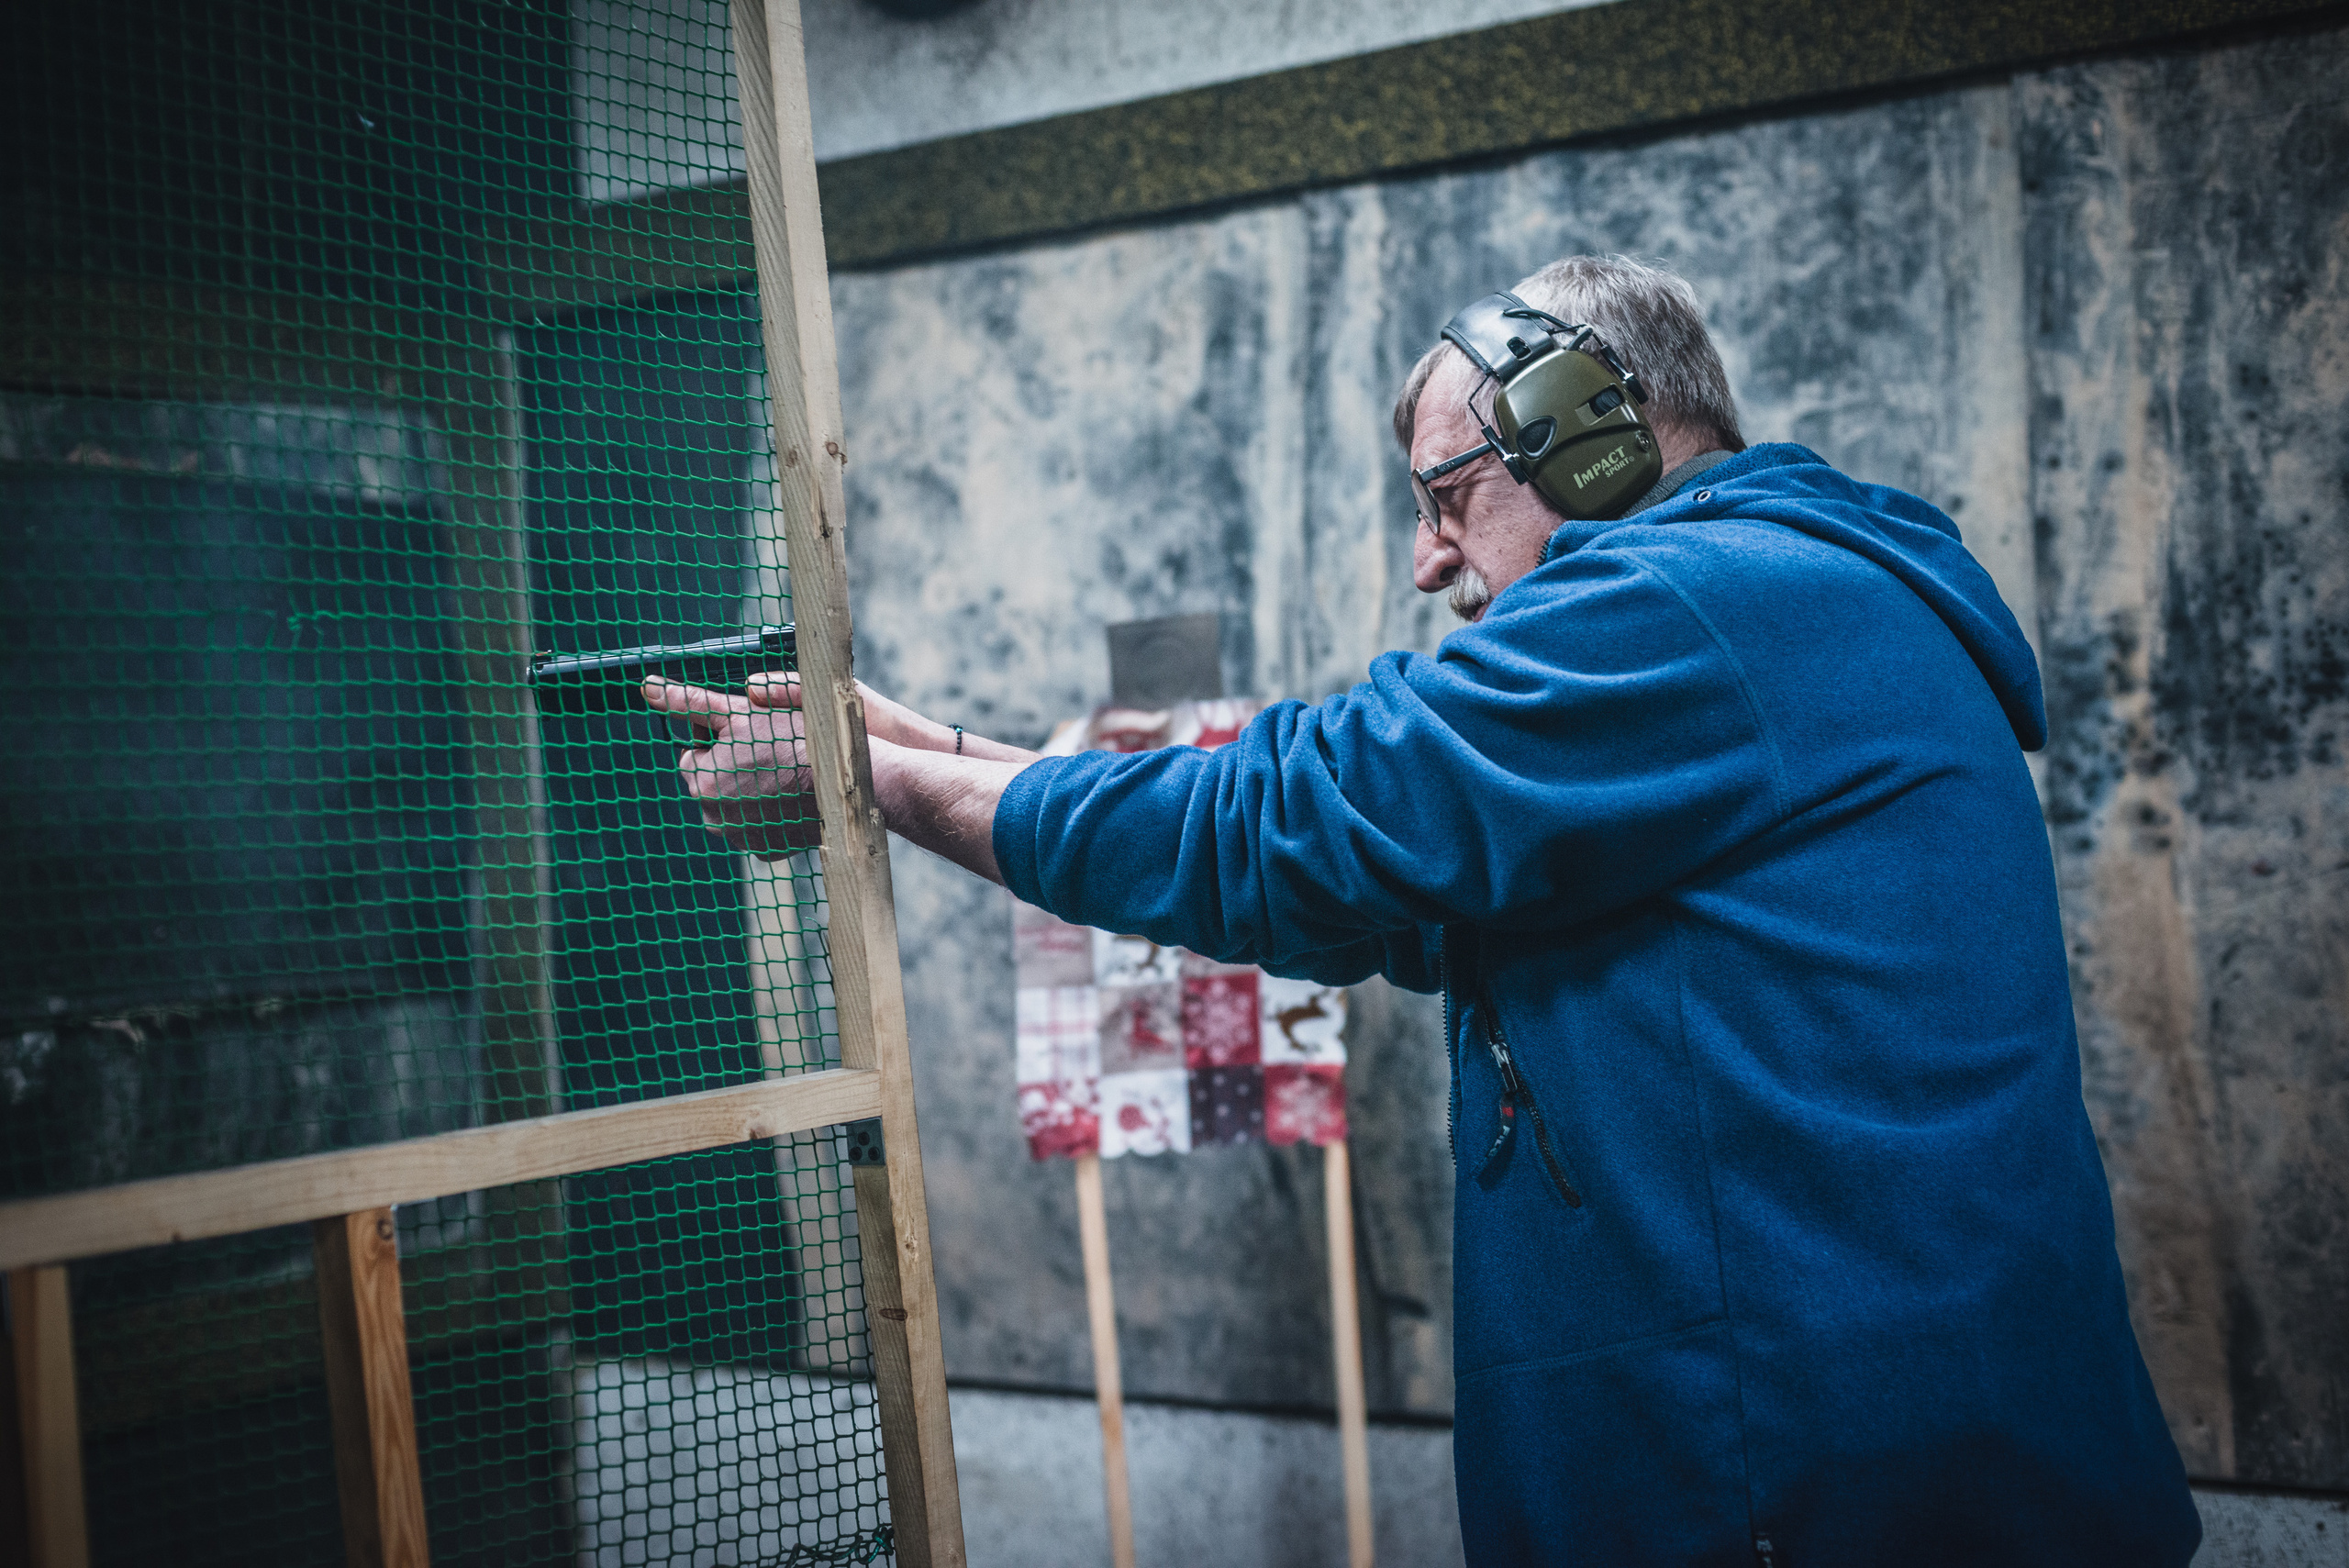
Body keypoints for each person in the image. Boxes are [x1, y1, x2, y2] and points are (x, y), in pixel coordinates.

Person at [643, 255, 2199, 1564]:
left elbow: (1319, 816)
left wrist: (886, 787)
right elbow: (1390, 888)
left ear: (1585, 440)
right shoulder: (1777, 606)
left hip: (1824, 1490)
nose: (1427, 559)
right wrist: (946, 754)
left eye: (1448, 497)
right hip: (1869, 1466)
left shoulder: (1695, 604)